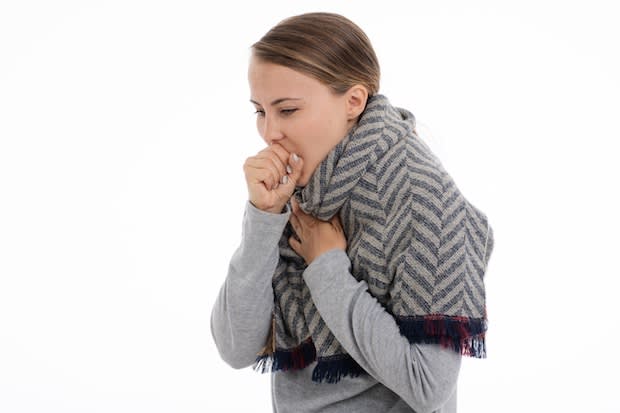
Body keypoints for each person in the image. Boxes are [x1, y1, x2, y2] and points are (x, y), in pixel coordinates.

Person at [211, 12, 494, 413]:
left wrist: (326, 266)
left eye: (287, 110)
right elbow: (235, 347)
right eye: (260, 111)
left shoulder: (425, 200)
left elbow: (428, 385)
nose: (270, 132)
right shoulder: (305, 192)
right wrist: (262, 217)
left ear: (354, 101)